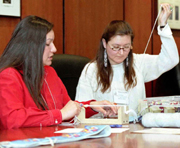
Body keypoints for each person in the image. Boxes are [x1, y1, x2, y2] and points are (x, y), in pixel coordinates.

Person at [0, 15, 118, 130]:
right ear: (30, 46)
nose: (54, 49)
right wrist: (60, 115)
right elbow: (12, 119)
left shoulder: (49, 72)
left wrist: (91, 107)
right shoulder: (9, 75)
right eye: (47, 44)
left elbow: (68, 109)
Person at [75, 3, 179, 117]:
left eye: (126, 47)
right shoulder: (91, 70)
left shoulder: (138, 62)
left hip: (135, 129)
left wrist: (163, 27)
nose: (121, 52)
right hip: (104, 128)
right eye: (115, 47)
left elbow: (171, 59)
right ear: (104, 43)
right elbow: (80, 108)